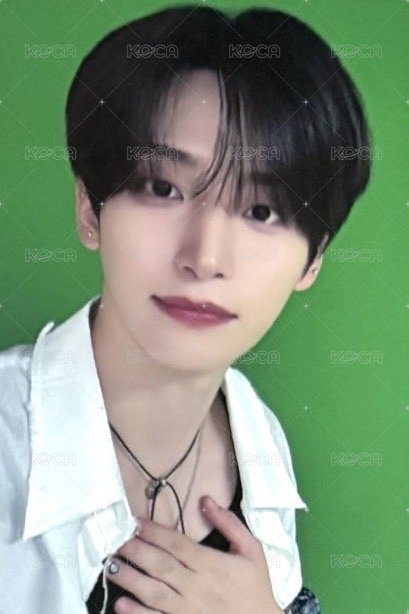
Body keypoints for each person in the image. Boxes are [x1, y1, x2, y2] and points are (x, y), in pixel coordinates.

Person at [0, 5, 372, 613]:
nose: (204, 258)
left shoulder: (261, 444)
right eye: (163, 188)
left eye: (261, 211)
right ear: (91, 209)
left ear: (313, 261)